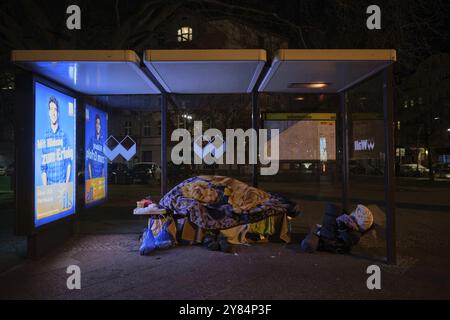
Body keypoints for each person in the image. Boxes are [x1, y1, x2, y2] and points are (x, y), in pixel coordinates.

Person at [41, 96, 72, 186]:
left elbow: (69, 162)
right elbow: (43, 167)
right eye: (51, 109)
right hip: (50, 186)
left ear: (58, 113)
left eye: (55, 109)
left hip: (62, 185)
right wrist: (46, 189)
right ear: (48, 113)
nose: (53, 112)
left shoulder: (63, 135)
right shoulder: (45, 136)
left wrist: (66, 184)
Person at [88, 114, 105, 179]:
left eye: (99, 123)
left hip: (100, 178)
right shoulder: (92, 140)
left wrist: (102, 177)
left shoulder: (102, 142)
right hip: (93, 177)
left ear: (100, 126)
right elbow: (89, 161)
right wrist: (90, 177)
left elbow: (103, 163)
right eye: (96, 123)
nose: (98, 126)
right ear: (95, 125)